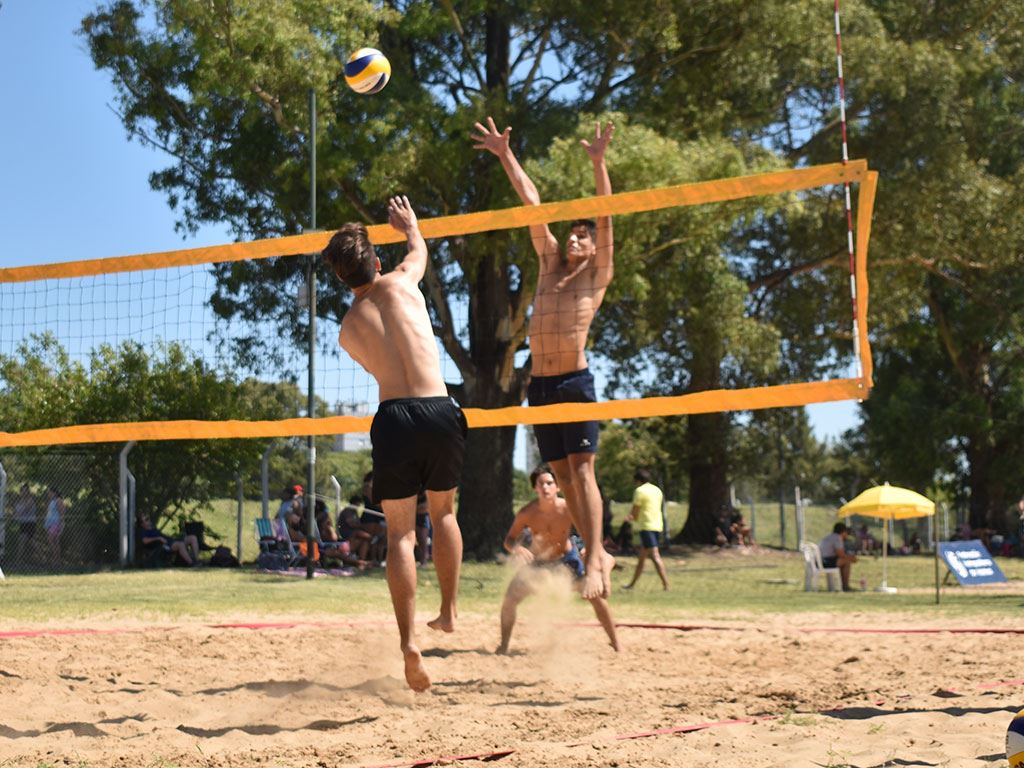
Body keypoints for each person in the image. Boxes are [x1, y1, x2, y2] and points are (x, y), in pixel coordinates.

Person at [323, 194, 466, 692]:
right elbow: (420, 253)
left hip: (394, 418)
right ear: (378, 262)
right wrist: (410, 226)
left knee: (401, 535)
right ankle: (448, 610)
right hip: (439, 408)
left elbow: (378, 362)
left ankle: (409, 641)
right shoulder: (404, 281)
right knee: (444, 514)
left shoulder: (346, 331)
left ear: (342, 278)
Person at [473, 116, 615, 600]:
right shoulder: (548, 264)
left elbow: (607, 213)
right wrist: (504, 153)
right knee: (564, 477)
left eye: (583, 236)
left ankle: (597, 557)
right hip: (542, 386)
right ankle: (592, 547)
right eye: (571, 234)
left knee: (581, 472)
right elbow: (531, 203)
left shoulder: (596, 276)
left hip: (574, 381)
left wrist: (598, 163)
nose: (575, 239)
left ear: (595, 248)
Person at [496, 465, 619, 655]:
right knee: (509, 600)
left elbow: (590, 528)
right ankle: (503, 646)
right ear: (535, 488)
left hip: (566, 561)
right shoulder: (527, 513)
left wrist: (591, 547)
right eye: (541, 484)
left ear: (558, 487)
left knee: (596, 596)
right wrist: (517, 548)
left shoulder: (568, 508)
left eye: (549, 483)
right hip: (539, 564)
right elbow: (509, 540)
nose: (545, 488)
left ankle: (616, 644)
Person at [622, 469, 669, 591]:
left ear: (638, 480)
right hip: (657, 525)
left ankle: (666, 585)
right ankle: (631, 585)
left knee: (654, 555)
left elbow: (635, 511)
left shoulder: (639, 491)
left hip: (646, 526)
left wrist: (629, 518)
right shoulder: (657, 490)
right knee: (642, 558)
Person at [819, 522, 858, 592]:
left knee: (843, 561)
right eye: (846, 532)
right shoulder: (837, 538)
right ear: (843, 532)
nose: (847, 535)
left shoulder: (829, 536)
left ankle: (841, 585)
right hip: (825, 561)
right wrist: (852, 558)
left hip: (821, 560)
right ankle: (845, 587)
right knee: (846, 562)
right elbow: (841, 554)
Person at [12, 484, 38, 564]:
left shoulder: (30, 500)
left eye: (26, 491)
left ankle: (18, 560)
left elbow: (24, 511)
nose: (24, 492)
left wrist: (15, 516)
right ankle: (19, 560)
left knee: (25, 541)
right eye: (23, 491)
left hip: (30, 523)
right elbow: (15, 512)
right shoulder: (19, 501)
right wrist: (13, 516)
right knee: (28, 541)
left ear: (28, 492)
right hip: (23, 524)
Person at [43, 487, 66, 566]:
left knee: (52, 540)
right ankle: (56, 560)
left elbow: (62, 512)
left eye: (50, 492)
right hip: (50, 523)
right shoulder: (51, 501)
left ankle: (57, 560)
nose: (49, 494)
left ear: (54, 493)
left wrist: (62, 524)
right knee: (54, 541)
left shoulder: (58, 500)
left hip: (56, 523)